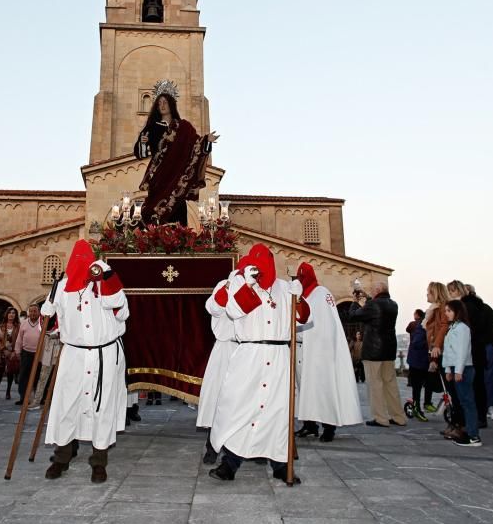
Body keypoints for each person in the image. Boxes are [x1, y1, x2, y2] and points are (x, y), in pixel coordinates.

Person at [207, 244, 309, 485]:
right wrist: (250, 285)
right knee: (239, 408)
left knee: (277, 412)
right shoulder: (242, 284)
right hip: (249, 355)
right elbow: (234, 311)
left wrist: (300, 298)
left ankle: (281, 466)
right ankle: (229, 464)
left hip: (278, 358)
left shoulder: (285, 288)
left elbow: (303, 318)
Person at [42, 240, 129, 484]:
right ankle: (61, 457)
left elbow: (121, 309)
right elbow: (46, 326)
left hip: (105, 354)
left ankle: (99, 462)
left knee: (102, 407)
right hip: (74, 355)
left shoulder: (107, 283)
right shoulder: (60, 288)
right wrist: (46, 313)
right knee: (68, 404)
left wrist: (104, 278)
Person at [294, 263, 362, 442]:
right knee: (305, 389)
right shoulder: (304, 295)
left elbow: (322, 323)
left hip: (319, 352)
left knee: (324, 389)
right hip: (303, 350)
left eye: (302, 277)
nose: (300, 281)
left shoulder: (321, 294)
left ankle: (329, 427)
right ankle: (309, 424)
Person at [133, 85, 218, 225]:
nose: (162, 105)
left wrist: (206, 141)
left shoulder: (184, 127)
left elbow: (195, 145)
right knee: (153, 211)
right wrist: (142, 143)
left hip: (177, 178)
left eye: (165, 102)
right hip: (159, 178)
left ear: (171, 105)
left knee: (177, 211)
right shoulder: (151, 127)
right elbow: (140, 154)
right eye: (159, 103)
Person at [345, 281, 405, 428]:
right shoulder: (393, 304)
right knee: (390, 384)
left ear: (378, 290)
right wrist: (368, 299)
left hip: (373, 350)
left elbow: (353, 316)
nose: (370, 291)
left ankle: (380, 418)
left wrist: (354, 302)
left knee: (375, 385)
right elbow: (378, 309)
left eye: (372, 289)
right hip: (389, 349)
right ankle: (398, 417)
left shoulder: (373, 305)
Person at [196, 272, 238, 463]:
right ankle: (212, 446)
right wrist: (229, 286)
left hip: (251, 347)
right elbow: (213, 308)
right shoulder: (225, 284)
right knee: (217, 399)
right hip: (226, 347)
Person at [449, 280, 493, 427]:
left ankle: (469, 421)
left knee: (468, 389)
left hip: (469, 352)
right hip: (478, 351)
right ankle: (480, 417)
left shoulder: (463, 308)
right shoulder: (482, 307)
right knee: (478, 385)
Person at [443, 300, 480, 447]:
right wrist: (448, 369)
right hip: (454, 367)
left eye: (449, 311)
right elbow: (448, 351)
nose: (446, 314)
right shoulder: (453, 328)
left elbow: (462, 351)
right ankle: (468, 431)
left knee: (467, 402)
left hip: (463, 368)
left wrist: (458, 370)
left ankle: (473, 435)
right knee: (462, 401)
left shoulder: (462, 328)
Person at [422, 282, 450, 412]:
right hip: (433, 347)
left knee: (442, 378)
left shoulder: (442, 308)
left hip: (437, 348)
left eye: (428, 292)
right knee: (432, 376)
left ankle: (448, 405)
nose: (426, 294)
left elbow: (443, 327)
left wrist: (436, 346)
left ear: (435, 293)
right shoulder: (434, 309)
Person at [14, 305, 43, 406]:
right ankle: (23, 398)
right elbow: (19, 338)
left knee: (38, 376)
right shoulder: (24, 323)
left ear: (39, 312)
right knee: (23, 376)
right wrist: (17, 351)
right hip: (26, 353)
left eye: (35, 311)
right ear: (28, 313)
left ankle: (38, 398)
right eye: (31, 311)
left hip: (39, 354)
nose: (33, 313)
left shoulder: (43, 322)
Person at [405, 309, 430, 422]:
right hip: (417, 360)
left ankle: (426, 403)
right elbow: (417, 342)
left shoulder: (419, 325)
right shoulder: (420, 326)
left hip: (421, 360)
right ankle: (417, 407)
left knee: (422, 384)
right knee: (417, 387)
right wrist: (431, 341)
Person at [0, 307, 19, 400]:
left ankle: (8, 392)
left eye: (13, 313)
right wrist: (3, 349)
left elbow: (19, 340)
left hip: (12, 352)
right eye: (10, 312)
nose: (11, 314)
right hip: (2, 352)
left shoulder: (18, 326)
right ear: (7, 314)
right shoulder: (1, 326)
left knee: (10, 373)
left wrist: (14, 351)